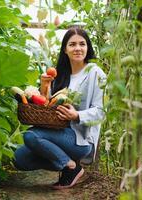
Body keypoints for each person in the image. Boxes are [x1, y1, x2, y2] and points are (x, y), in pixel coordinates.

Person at [14, 27, 107, 189]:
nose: (77, 48)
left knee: (30, 135)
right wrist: (44, 87)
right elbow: (47, 106)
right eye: (72, 44)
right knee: (19, 158)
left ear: (88, 47)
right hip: (57, 134)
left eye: (82, 44)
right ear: (65, 49)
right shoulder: (61, 74)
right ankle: (67, 165)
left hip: (80, 139)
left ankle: (71, 166)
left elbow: (101, 112)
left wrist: (76, 115)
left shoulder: (95, 73)